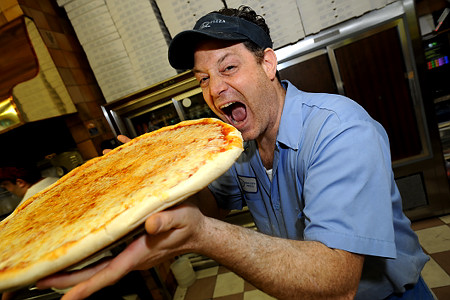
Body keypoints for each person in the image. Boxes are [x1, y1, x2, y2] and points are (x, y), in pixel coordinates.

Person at [35, 6, 433, 300]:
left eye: (228, 68)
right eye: (204, 78)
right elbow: (211, 207)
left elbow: (336, 281)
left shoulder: (339, 129)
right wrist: (153, 182)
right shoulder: (235, 144)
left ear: (268, 64)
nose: (215, 89)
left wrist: (202, 237)